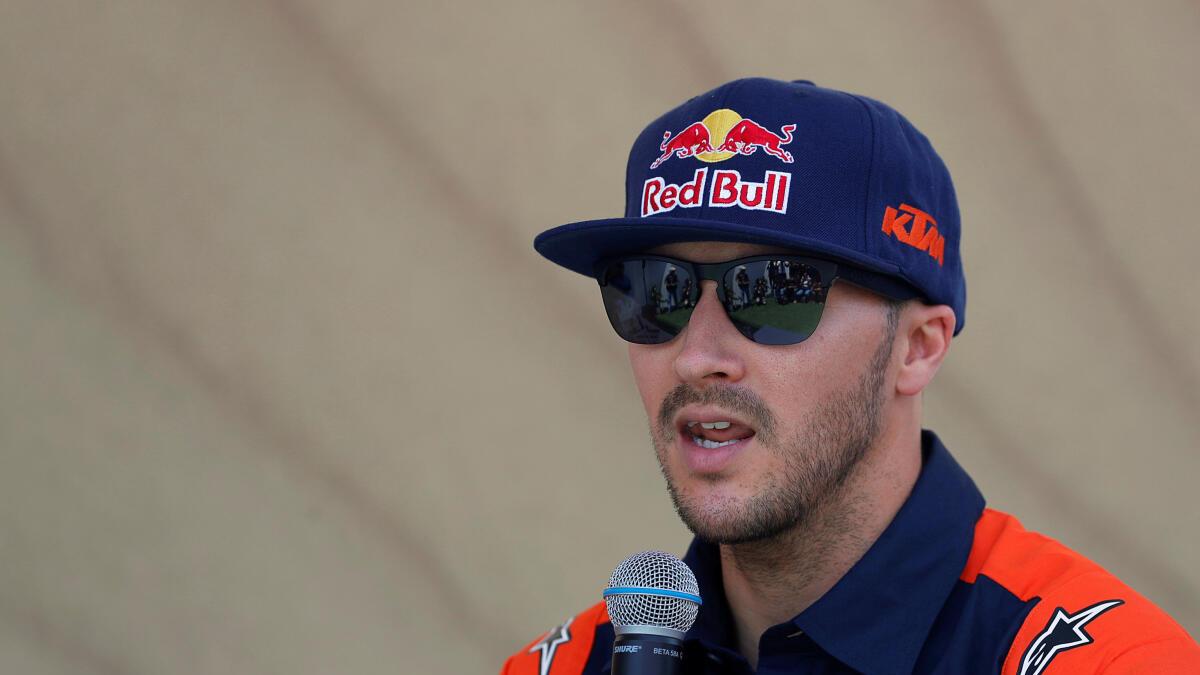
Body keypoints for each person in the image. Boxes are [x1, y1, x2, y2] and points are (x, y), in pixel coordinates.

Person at [501, 78, 1200, 674]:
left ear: (917, 348)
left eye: (772, 291)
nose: (695, 355)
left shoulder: (1110, 661)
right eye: (655, 291)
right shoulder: (563, 665)